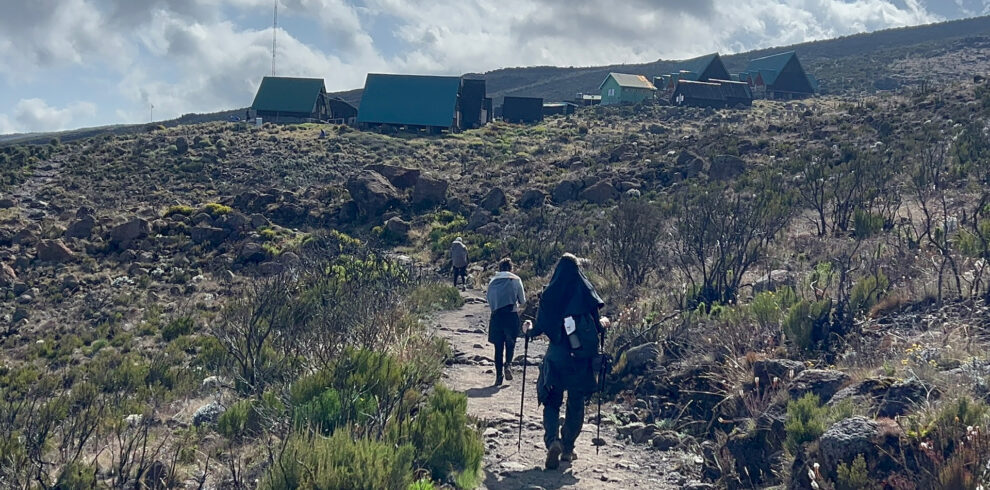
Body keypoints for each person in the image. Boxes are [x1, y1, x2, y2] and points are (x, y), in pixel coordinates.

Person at [523, 253, 611, 470]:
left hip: (556, 359)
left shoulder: (550, 294)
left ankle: (552, 441)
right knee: (576, 403)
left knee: (552, 401)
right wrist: (605, 322)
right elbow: (595, 326)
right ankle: (568, 448)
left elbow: (539, 329)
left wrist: (528, 329)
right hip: (580, 360)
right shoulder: (586, 293)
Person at [486, 258, 526, 386]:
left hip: (497, 316)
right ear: (511, 268)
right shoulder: (515, 280)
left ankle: (498, 376)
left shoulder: (492, 281)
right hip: (511, 315)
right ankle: (508, 364)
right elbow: (523, 300)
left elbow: (489, 300)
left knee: (498, 348)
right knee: (510, 344)